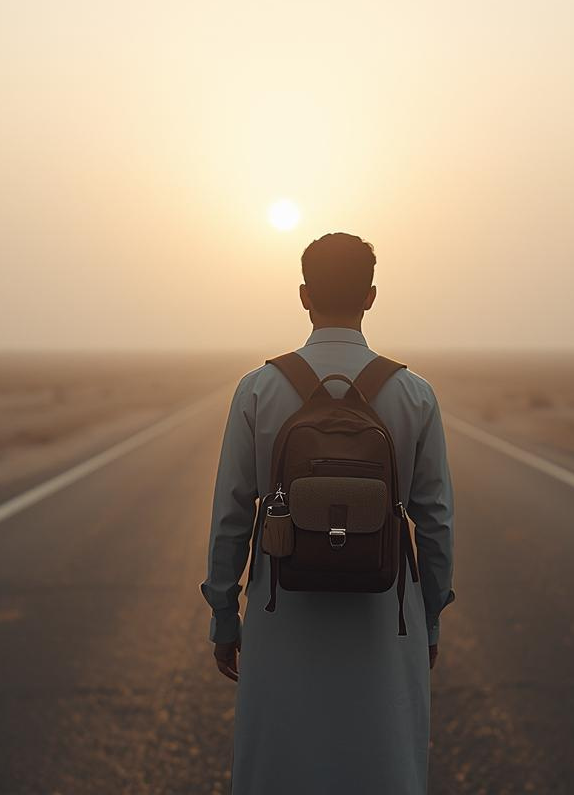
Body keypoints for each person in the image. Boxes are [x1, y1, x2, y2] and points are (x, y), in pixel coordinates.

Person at [201, 232, 456, 794]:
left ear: (303, 295)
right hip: (387, 616)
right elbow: (435, 522)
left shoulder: (258, 391)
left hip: (280, 609)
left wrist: (224, 612)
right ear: (370, 296)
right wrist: (430, 616)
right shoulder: (416, 395)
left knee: (281, 766)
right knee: (380, 764)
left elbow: (231, 516)